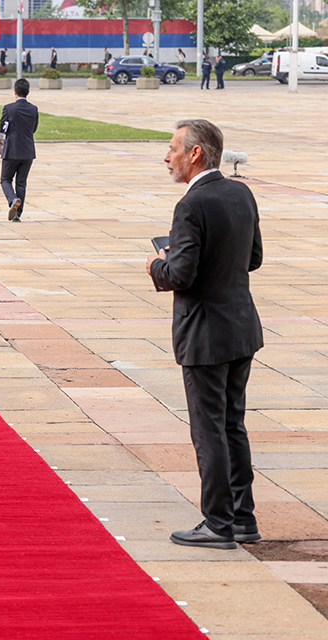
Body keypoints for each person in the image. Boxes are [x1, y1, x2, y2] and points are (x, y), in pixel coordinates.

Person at [146, 119, 263, 550]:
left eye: (173, 148)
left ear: (195, 153)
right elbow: (253, 258)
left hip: (205, 333)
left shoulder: (190, 206)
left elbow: (181, 274)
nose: (167, 156)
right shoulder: (240, 192)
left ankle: (217, 523)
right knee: (233, 424)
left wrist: (158, 263)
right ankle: (243, 518)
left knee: (208, 429)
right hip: (241, 326)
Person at [0, 78, 38, 222]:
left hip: (11, 150)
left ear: (14, 92)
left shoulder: (9, 109)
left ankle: (13, 199)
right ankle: (18, 214)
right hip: (27, 151)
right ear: (28, 92)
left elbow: (2, 128)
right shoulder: (33, 109)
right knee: (21, 182)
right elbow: (34, 128)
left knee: (5, 179)